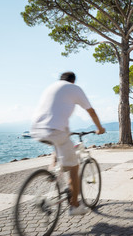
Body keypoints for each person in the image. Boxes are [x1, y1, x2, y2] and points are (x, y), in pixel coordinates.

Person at [31, 71, 105, 216]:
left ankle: (51, 177)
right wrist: (99, 128)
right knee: (74, 167)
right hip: (56, 130)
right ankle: (75, 206)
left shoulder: (51, 87)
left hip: (37, 129)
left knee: (56, 152)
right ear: (73, 80)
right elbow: (91, 111)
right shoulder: (74, 88)